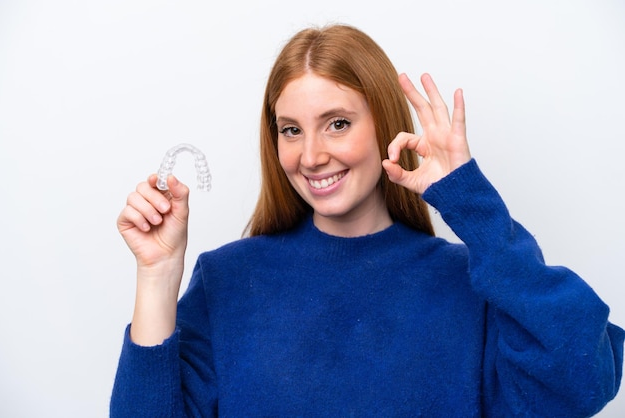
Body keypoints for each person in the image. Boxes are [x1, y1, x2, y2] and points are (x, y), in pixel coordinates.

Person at [110, 24, 624, 417]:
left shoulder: (468, 288)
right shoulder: (228, 281)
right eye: (291, 130)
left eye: (337, 124)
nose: (310, 156)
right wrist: (157, 276)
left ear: (384, 123)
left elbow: (582, 374)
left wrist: (470, 201)